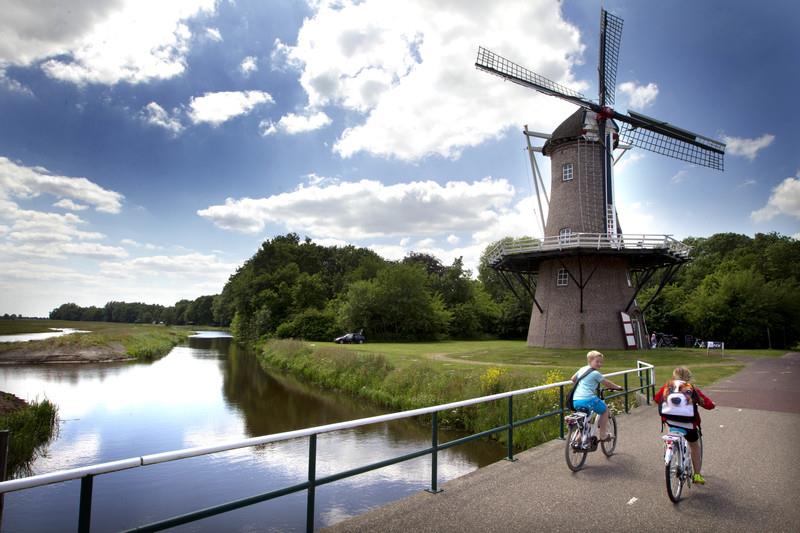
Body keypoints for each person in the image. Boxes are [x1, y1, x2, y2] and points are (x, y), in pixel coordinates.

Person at [655, 366, 715, 485]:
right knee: (694, 446)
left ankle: (670, 449)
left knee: (671, 431)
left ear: (674, 376)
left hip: (670, 421)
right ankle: (697, 474)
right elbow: (707, 404)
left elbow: (657, 399)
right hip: (689, 424)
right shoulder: (692, 389)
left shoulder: (668, 386)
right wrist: (712, 404)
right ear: (689, 377)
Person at [571, 350, 622, 442]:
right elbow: (607, 383)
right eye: (597, 361)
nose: (599, 364)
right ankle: (603, 435)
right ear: (590, 361)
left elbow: (573, 379)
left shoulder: (582, 369)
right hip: (587, 399)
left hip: (576, 400)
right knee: (605, 410)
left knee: (585, 417)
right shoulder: (595, 373)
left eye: (601, 362)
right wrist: (617, 387)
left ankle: (579, 437)